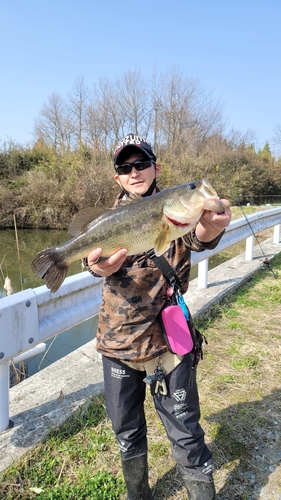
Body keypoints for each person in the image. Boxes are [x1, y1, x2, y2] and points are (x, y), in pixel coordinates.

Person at [84, 133, 231, 500]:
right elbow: (95, 260)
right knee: (126, 429)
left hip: (170, 341)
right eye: (125, 167)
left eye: (141, 163)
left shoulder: (176, 206)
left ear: (156, 168)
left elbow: (197, 236)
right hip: (118, 341)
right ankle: (138, 495)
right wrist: (95, 267)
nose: (134, 171)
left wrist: (211, 227)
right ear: (117, 177)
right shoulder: (107, 221)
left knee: (184, 428)